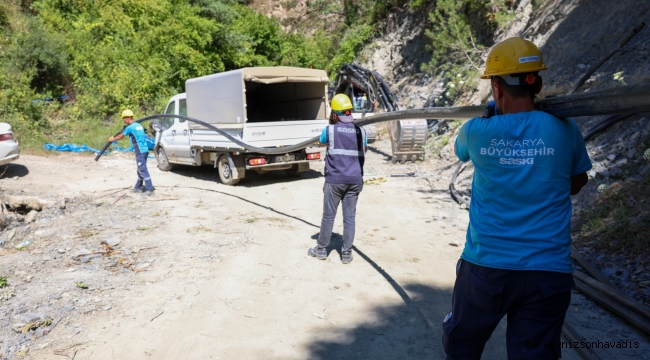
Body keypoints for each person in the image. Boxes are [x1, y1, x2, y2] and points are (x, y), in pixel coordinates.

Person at [442, 37, 592, 359]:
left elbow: (461, 152)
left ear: (496, 88)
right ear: (537, 84)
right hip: (548, 273)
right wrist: (541, 186)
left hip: (486, 267)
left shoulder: (475, 132)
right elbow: (578, 179)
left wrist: (492, 121)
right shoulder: (565, 128)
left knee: (461, 346)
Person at [308, 94, 368, 264]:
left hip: (334, 181)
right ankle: (347, 253)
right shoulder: (361, 132)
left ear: (335, 114)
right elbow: (365, 149)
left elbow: (321, 142)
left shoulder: (330, 130)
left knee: (328, 216)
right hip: (355, 181)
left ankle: (321, 250)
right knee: (349, 218)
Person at [108, 109, 155, 196]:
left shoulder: (130, 127)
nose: (124, 121)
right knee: (140, 168)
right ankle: (138, 187)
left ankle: (149, 189)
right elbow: (133, 131)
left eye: (124, 119)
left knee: (142, 169)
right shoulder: (138, 125)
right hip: (145, 150)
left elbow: (121, 136)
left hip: (140, 151)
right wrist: (125, 128)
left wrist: (113, 139)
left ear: (127, 118)